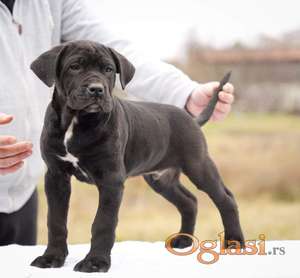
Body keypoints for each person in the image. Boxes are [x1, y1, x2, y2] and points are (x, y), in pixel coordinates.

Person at [0, 0, 234, 246]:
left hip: (21, 194)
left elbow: (113, 49)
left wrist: (185, 93)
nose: (96, 84)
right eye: (77, 67)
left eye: (106, 73)